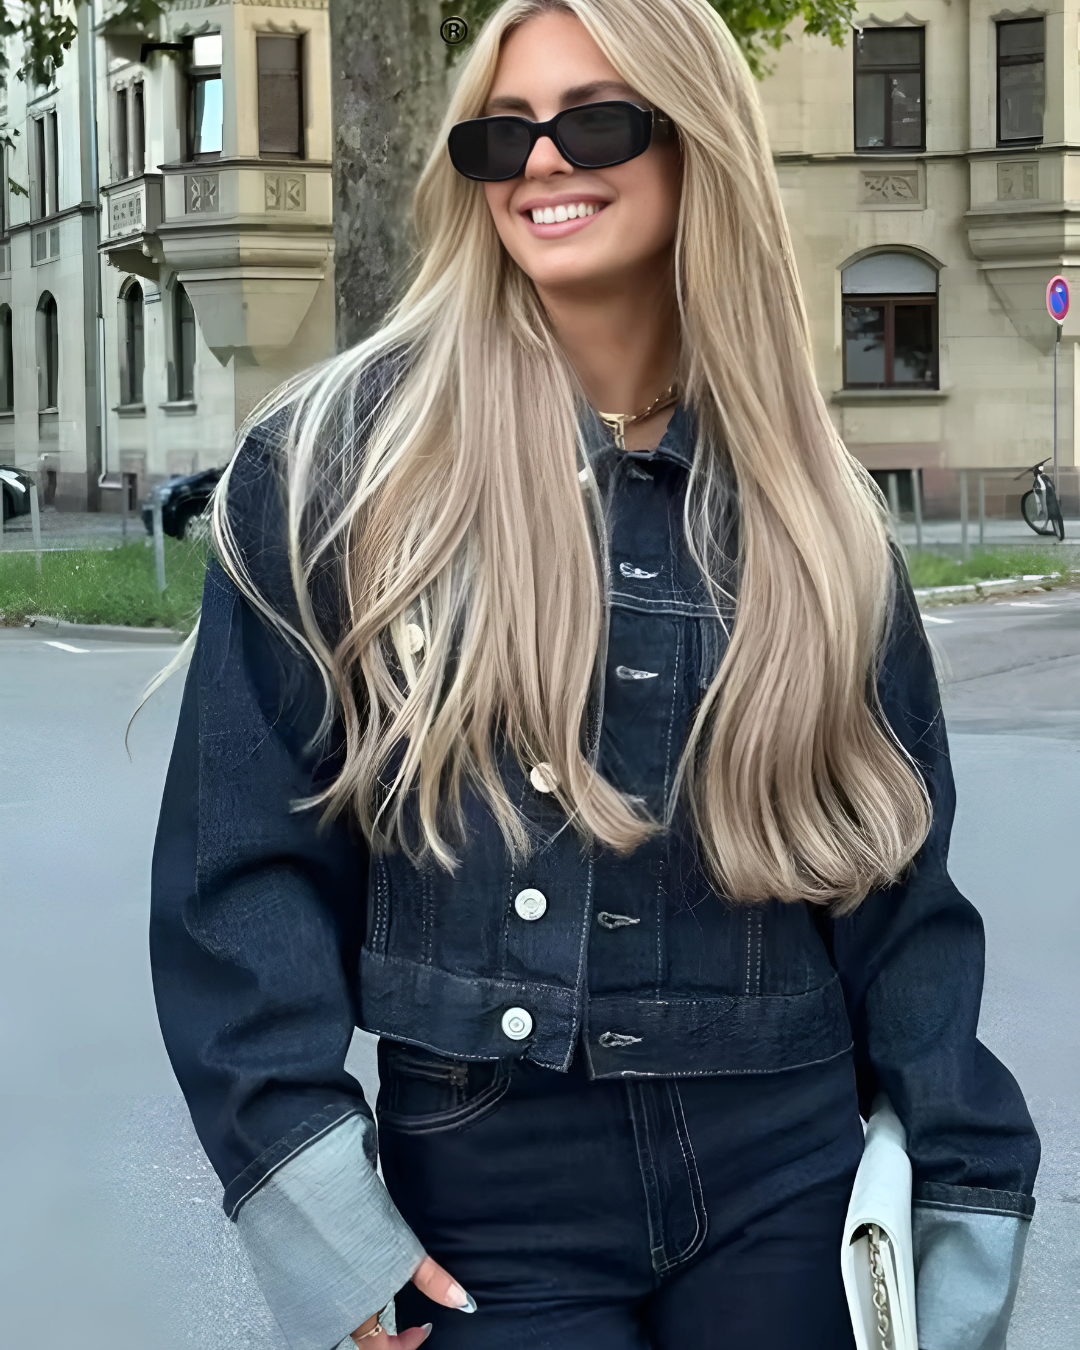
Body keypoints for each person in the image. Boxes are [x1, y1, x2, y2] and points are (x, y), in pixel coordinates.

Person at [149, 2, 1040, 1347]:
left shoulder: (811, 507)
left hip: (787, 1158)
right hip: (486, 1191)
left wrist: (962, 1179)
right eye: (501, 134)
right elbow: (241, 866)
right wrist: (318, 1204)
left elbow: (895, 882)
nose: (542, 162)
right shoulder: (342, 463)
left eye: (597, 121)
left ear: (698, 144)